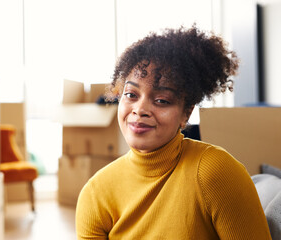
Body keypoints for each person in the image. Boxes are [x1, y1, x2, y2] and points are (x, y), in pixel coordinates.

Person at [75, 25, 271, 239]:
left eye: (161, 100)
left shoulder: (216, 172)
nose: (140, 109)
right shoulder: (95, 193)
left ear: (186, 114)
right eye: (131, 95)